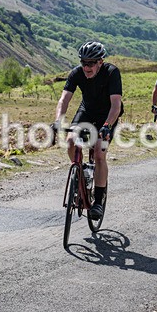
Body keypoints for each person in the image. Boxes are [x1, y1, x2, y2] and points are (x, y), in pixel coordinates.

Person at [53, 41, 123, 220]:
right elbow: (64, 100)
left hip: (108, 115)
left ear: (100, 62)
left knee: (99, 153)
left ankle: (98, 201)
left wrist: (107, 126)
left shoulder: (112, 72)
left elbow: (116, 105)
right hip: (87, 111)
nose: (86, 67)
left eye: (91, 63)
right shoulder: (77, 73)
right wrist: (58, 120)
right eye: (84, 62)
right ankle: (80, 175)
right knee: (70, 141)